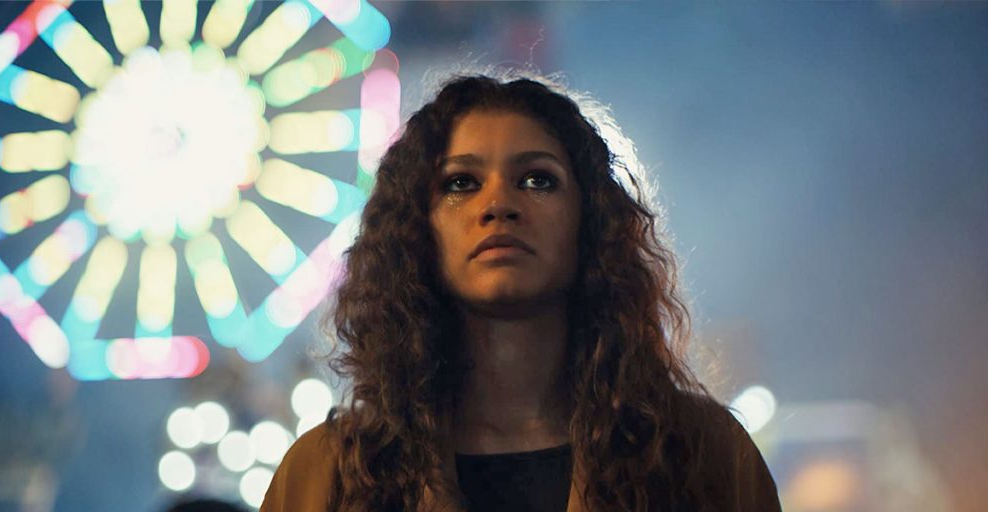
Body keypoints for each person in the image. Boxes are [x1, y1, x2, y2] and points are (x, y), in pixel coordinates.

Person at [262, 73, 781, 511]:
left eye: (537, 180)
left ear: (591, 222)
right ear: (415, 228)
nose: (498, 205)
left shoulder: (700, 455)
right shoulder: (328, 477)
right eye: (460, 183)